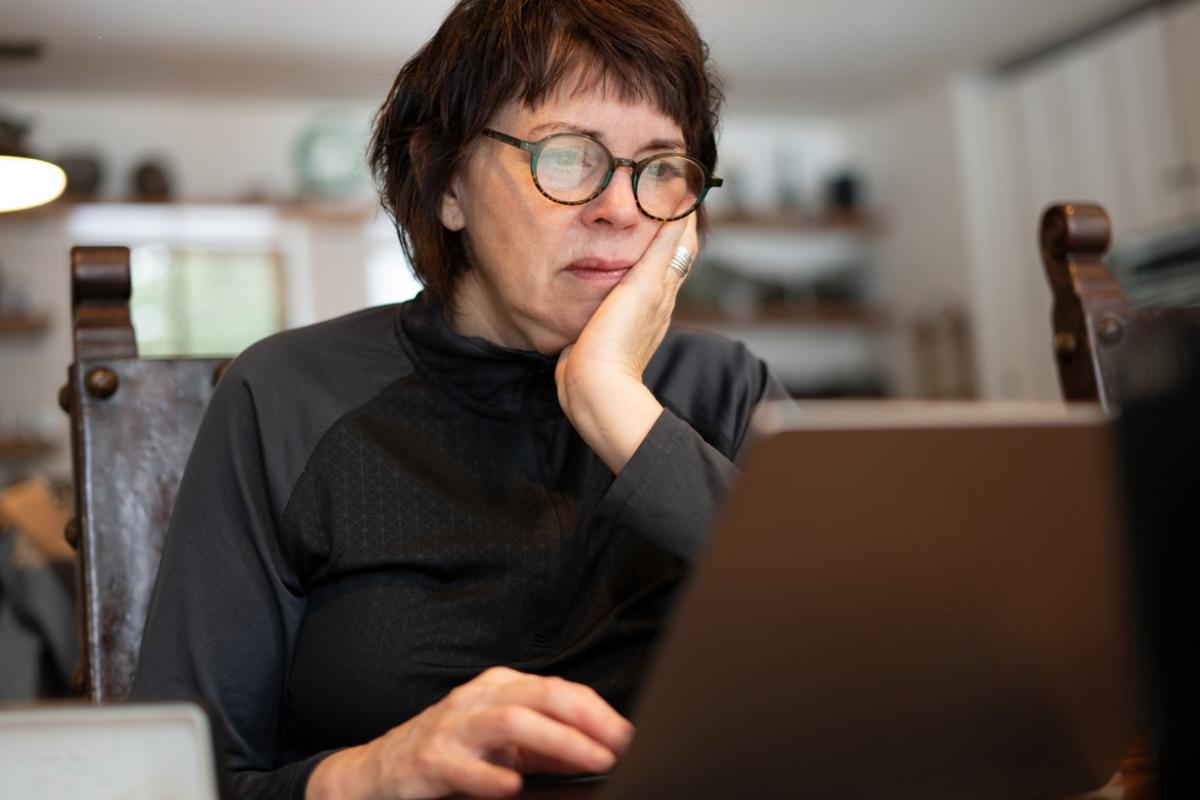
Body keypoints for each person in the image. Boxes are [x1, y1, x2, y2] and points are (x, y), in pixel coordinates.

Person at [131, 1, 789, 798]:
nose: (621, 208)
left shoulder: (724, 392)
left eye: (660, 168)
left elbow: (870, 668)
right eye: (568, 155)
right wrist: (372, 774)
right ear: (445, 182)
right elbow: (165, 781)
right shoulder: (285, 398)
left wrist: (612, 400)